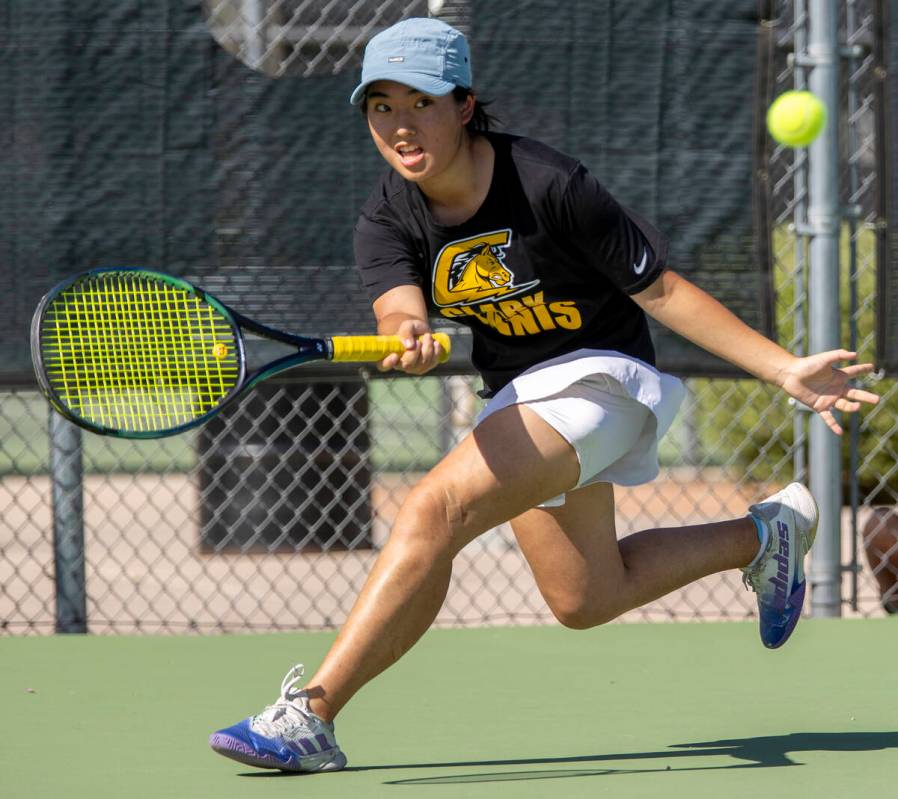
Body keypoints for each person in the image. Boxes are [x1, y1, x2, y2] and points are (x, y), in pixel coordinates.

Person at [208, 17, 880, 773]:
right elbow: (398, 305)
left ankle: (311, 714)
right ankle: (763, 535)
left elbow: (659, 289)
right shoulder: (386, 216)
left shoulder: (550, 183)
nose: (399, 124)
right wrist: (409, 330)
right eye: (380, 107)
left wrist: (782, 368)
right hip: (521, 399)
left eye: (419, 102)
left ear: (463, 106)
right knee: (585, 596)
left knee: (435, 508)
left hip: (603, 382)